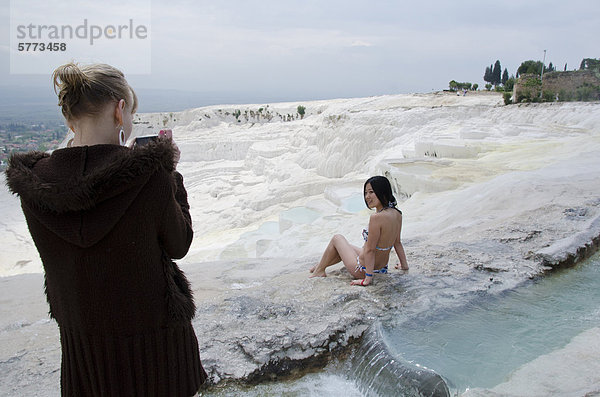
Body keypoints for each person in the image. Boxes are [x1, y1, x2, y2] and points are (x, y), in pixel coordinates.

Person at [5, 62, 207, 396]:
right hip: (157, 348)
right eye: (132, 112)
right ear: (120, 109)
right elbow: (179, 243)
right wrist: (172, 176)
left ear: (70, 117)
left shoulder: (33, 183)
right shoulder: (148, 174)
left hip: (83, 349)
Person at [310, 176, 409, 286]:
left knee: (337, 239)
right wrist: (404, 266)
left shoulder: (376, 218)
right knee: (346, 246)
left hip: (362, 270)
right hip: (381, 269)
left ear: (382, 191)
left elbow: (370, 250)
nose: (367, 196)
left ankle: (319, 270)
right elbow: (397, 243)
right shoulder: (397, 214)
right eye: (366, 193)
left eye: (371, 192)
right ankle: (321, 265)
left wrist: (367, 279)